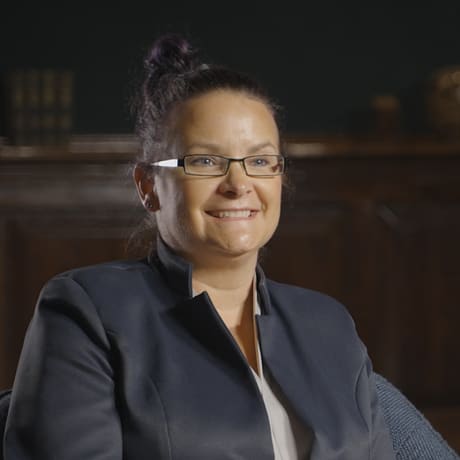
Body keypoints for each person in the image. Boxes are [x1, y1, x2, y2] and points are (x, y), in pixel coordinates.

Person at [4, 34, 397, 459]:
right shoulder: (87, 313)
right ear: (148, 186)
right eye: (205, 161)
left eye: (261, 161)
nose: (239, 184)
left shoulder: (328, 324)